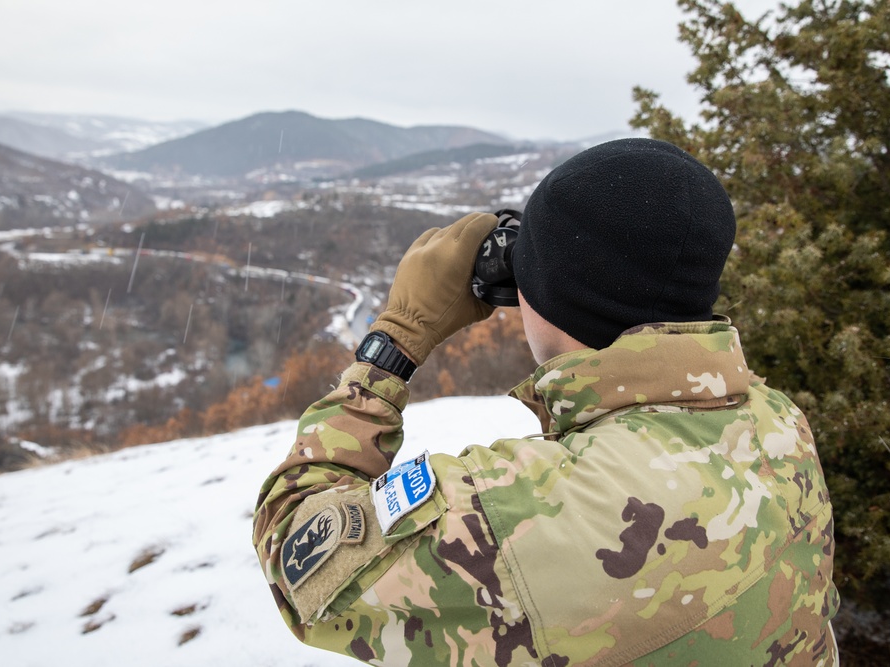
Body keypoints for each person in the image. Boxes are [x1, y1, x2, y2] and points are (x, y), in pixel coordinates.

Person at [253, 138, 840, 666]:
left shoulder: (521, 514)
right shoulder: (776, 420)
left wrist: (396, 340)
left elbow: (297, 557)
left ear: (544, 293)